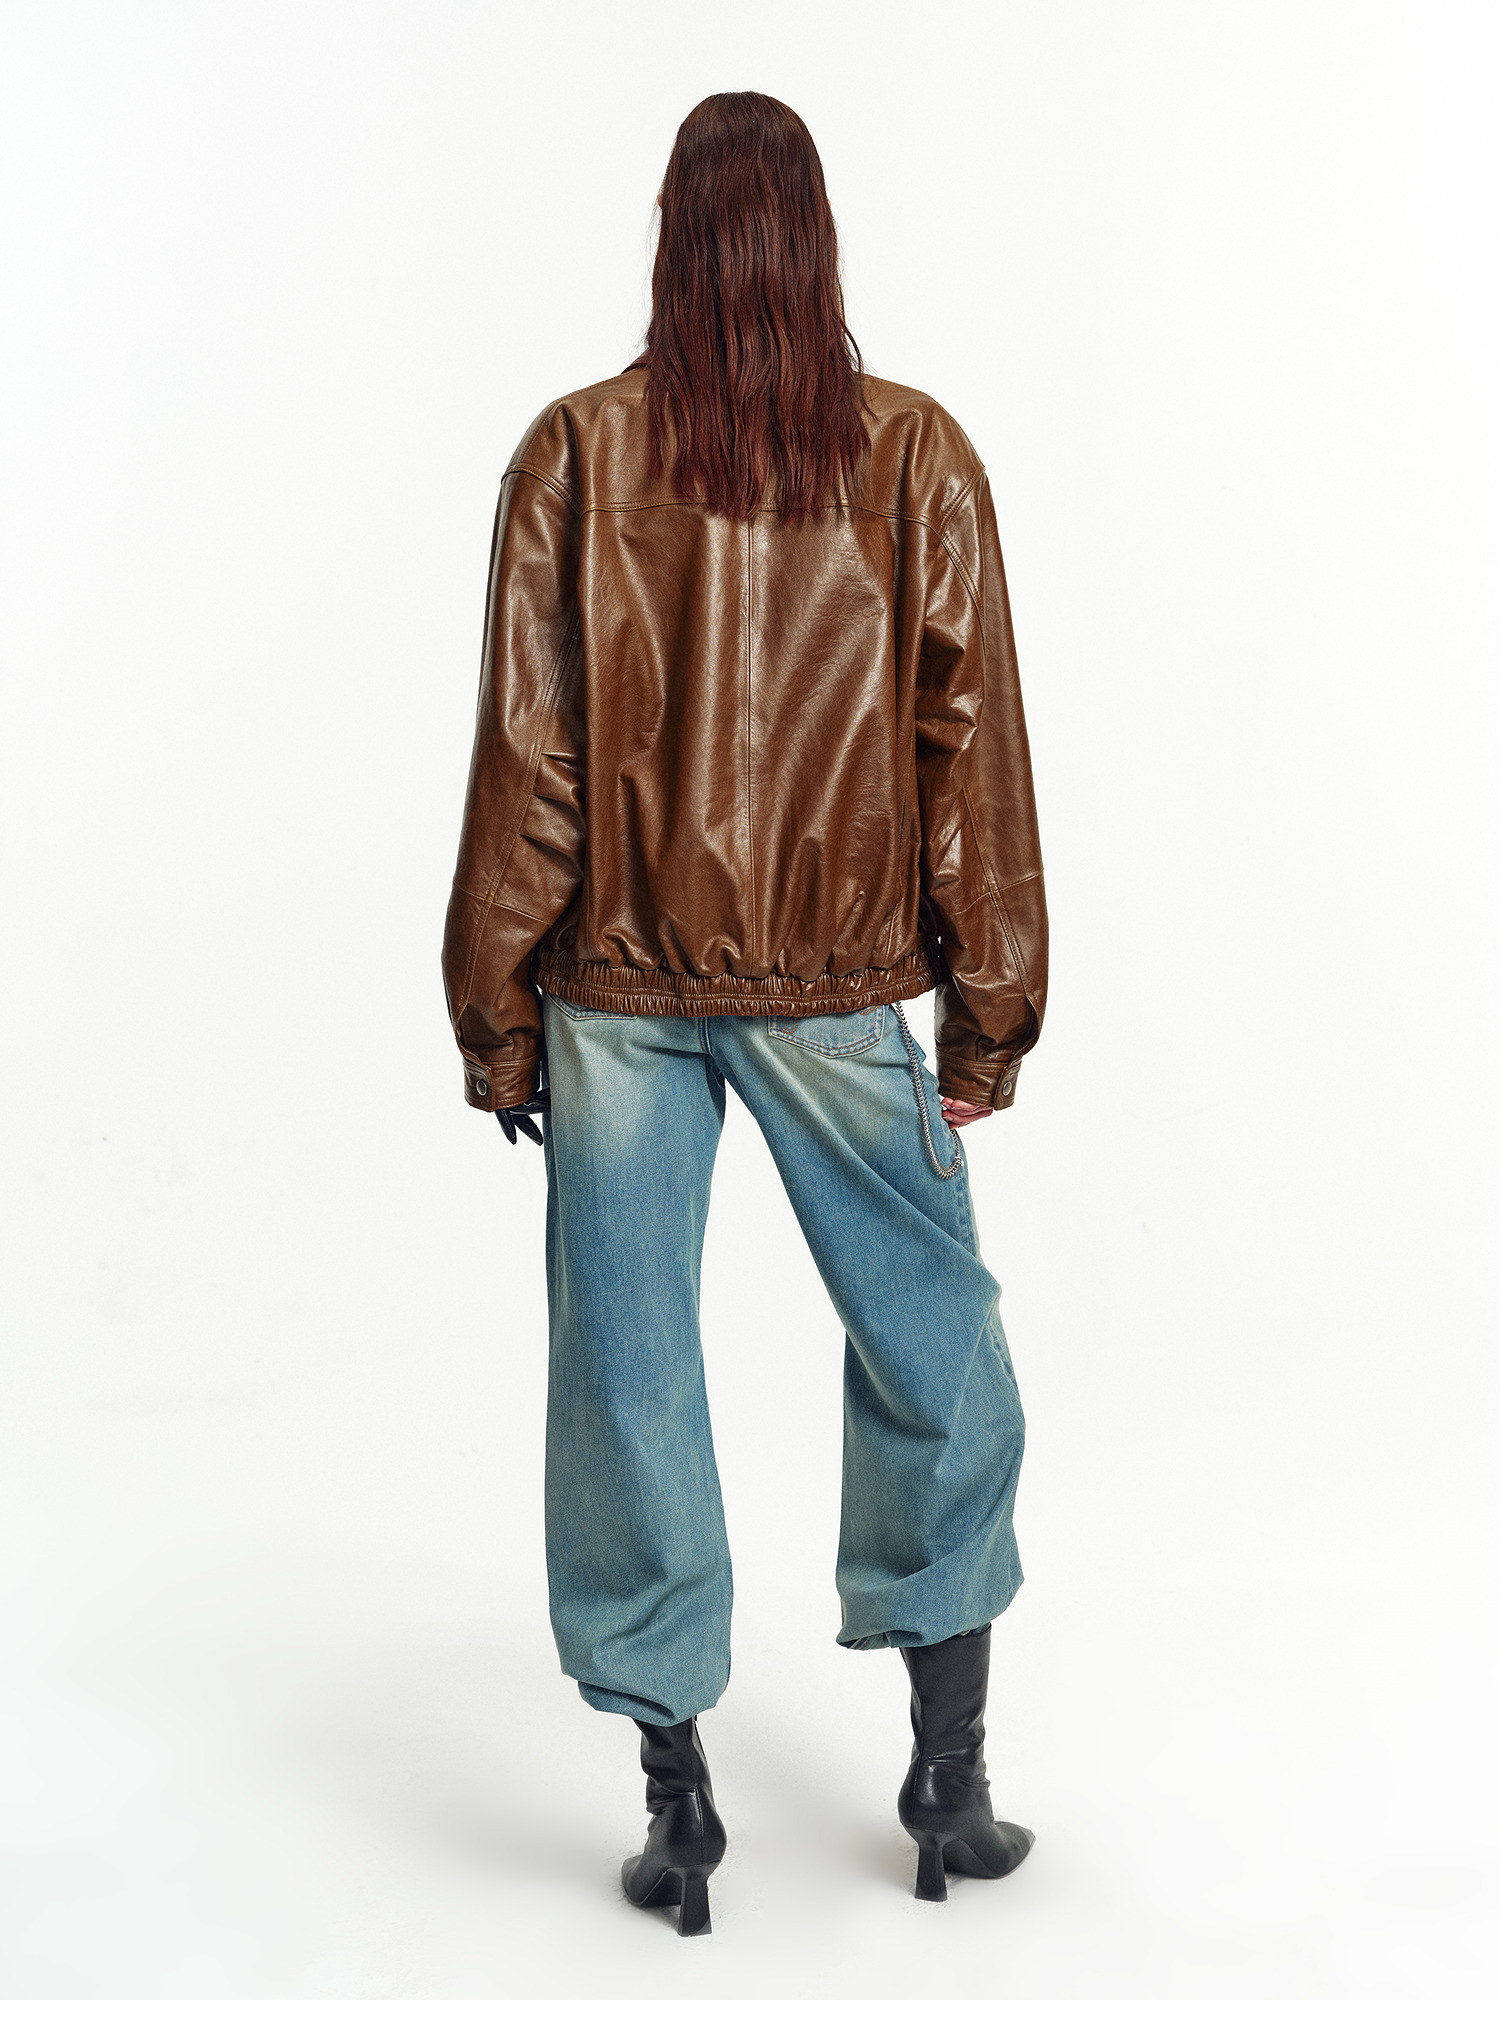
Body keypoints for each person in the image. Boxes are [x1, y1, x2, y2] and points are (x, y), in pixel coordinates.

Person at [442, 91, 1047, 1936]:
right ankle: (949, 1784)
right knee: (934, 1347)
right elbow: (968, 755)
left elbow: (533, 762)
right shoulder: (916, 454)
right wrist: (991, 1013)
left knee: (626, 1382)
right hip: (840, 985)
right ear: (813, 238)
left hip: (615, 993)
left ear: (674, 238)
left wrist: (496, 1012)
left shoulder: (574, 450)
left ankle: (678, 1809)